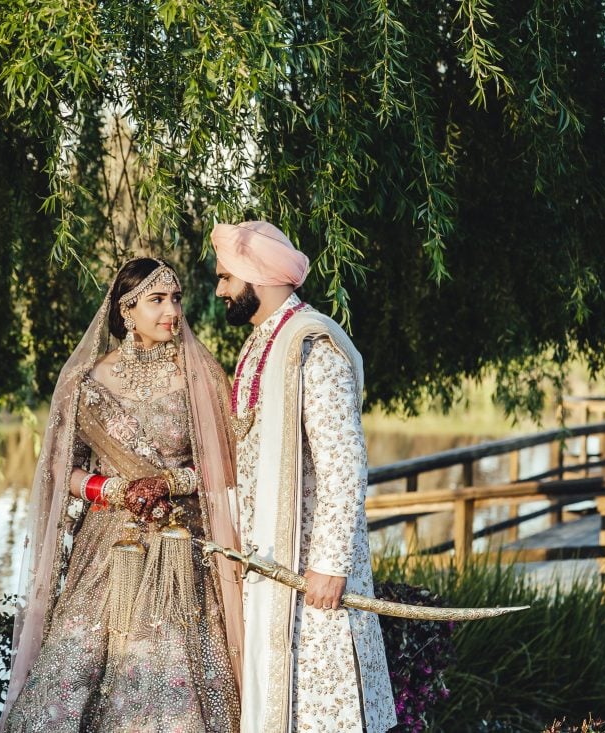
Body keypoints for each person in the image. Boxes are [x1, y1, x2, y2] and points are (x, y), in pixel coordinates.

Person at [0, 258, 245, 733]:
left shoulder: (200, 375)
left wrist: (170, 483)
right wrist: (112, 489)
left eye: (175, 298)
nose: (171, 310)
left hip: (182, 546)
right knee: (81, 655)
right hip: (111, 546)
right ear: (125, 309)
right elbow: (58, 470)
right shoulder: (87, 383)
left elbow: (228, 467)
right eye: (156, 300)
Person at [211, 221, 397, 733]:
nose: (220, 289)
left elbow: (344, 463)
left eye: (226, 277)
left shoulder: (313, 346)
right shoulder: (258, 346)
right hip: (271, 566)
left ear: (258, 277)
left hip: (313, 572)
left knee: (322, 707)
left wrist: (331, 565)